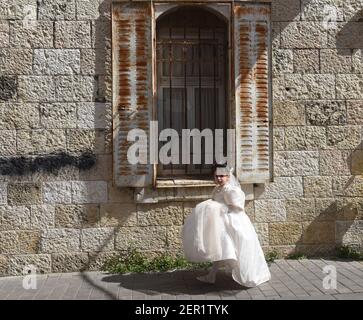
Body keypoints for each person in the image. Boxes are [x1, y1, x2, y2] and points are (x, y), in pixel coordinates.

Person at [182, 164, 271, 287]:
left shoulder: (231, 189)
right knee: (220, 247)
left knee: (232, 248)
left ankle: (247, 274)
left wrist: (219, 208)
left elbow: (238, 207)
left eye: (222, 176)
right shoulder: (218, 188)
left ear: (228, 177)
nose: (219, 179)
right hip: (221, 222)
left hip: (233, 222)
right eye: (216, 176)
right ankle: (211, 276)